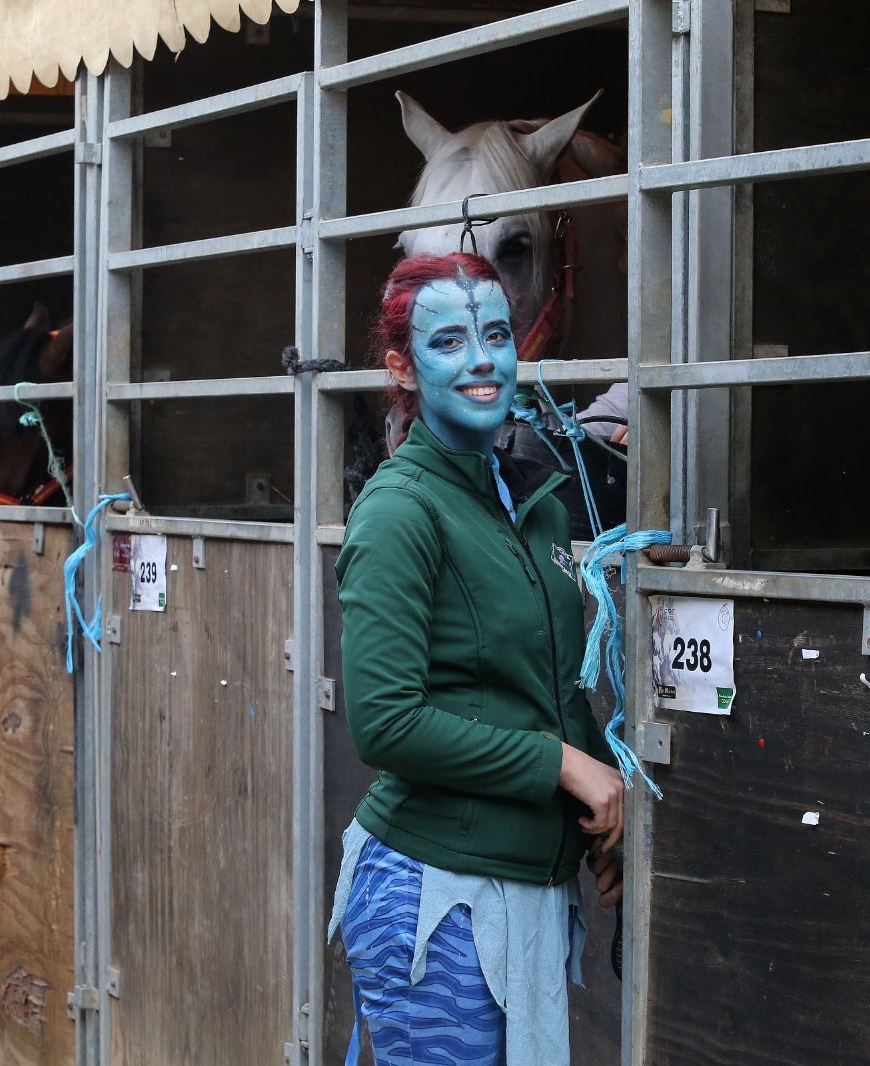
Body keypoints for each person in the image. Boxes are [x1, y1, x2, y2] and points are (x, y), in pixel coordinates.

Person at [329, 252, 626, 1066]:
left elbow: (548, 685)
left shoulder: (527, 500)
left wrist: (603, 809)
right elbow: (386, 724)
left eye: (496, 334)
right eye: (450, 341)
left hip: (522, 889)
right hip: (438, 894)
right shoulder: (400, 511)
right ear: (402, 366)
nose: (483, 360)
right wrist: (565, 766)